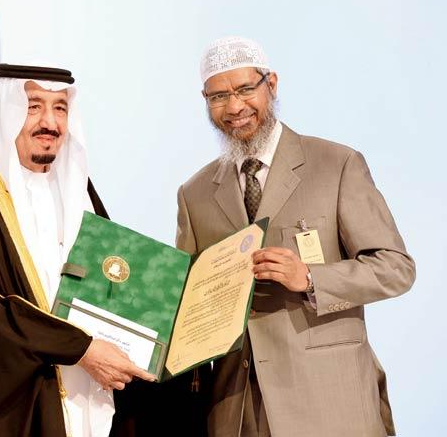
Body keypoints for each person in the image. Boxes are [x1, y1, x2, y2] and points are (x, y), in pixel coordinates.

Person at [176, 37, 415, 436]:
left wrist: (310, 277)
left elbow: (395, 268)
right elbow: (186, 303)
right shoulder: (195, 192)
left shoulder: (336, 164)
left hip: (331, 401)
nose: (234, 107)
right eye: (218, 96)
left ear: (272, 84)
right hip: (239, 409)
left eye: (245, 89)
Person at [0, 63, 154, 437]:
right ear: (6, 111)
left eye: (60, 108)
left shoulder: (79, 191)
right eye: (33, 106)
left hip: (91, 400)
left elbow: (114, 289)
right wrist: (81, 349)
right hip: (20, 407)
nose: (50, 123)